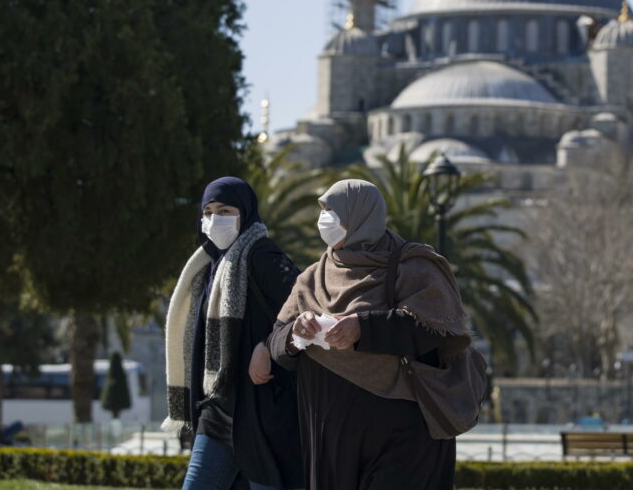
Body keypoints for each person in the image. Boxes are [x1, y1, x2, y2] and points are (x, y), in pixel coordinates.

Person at [269, 179, 473, 490]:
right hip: (330, 439)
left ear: (361, 214)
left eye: (332, 210)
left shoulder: (412, 265)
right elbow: (277, 342)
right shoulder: (312, 278)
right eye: (322, 209)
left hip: (402, 435)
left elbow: (434, 329)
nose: (324, 218)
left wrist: (361, 328)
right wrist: (296, 334)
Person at [163, 177, 303, 490]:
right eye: (208, 211)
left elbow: (304, 306)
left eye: (225, 210)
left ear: (246, 212)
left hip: (260, 412)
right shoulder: (209, 265)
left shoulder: (262, 256)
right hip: (218, 407)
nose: (214, 220)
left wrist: (268, 347)